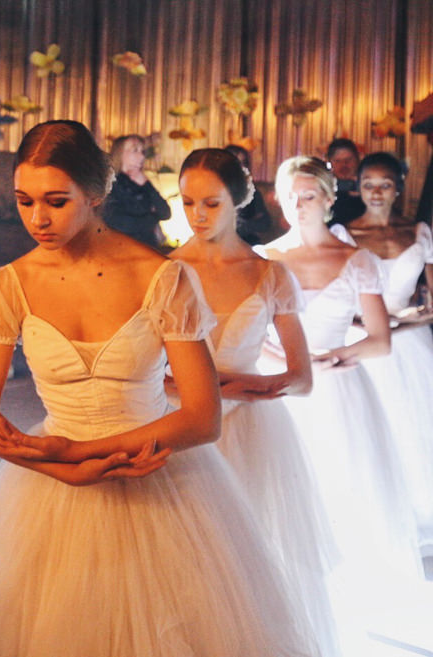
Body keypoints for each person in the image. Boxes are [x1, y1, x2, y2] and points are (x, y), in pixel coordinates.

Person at [0, 120, 319, 657]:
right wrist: (63, 470)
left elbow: (203, 417)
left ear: (95, 194)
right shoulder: (10, 282)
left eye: (55, 201)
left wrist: (81, 453)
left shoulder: (160, 276)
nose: (37, 219)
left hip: (160, 478)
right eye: (24, 201)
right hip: (49, 490)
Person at [171, 148, 339, 656]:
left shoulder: (269, 274)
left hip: (251, 434)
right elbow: (153, 374)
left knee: (248, 556)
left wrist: (237, 389)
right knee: (180, 554)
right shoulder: (166, 272)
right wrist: (238, 385)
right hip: (181, 426)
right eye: (187, 203)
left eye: (211, 203)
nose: (197, 216)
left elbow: (302, 378)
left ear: (237, 201)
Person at [263, 156, 421, 584]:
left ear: (329, 198)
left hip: (340, 386)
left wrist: (333, 358)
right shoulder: (266, 258)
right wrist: (293, 364)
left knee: (347, 486)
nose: (298, 205)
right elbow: (254, 334)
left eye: (308, 195)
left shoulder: (356, 260)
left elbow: (379, 340)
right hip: (282, 385)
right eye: (291, 196)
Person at [335, 152, 433, 552]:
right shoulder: (343, 234)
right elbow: (338, 297)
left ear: (398, 188)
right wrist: (372, 328)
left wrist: (402, 325)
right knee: (376, 429)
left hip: (410, 344)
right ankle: (378, 521)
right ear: (358, 187)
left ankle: (421, 513)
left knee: (417, 427)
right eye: (369, 183)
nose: (377, 192)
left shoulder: (421, 231)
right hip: (363, 341)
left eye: (386, 184)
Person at [101, 134, 170, 249]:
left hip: (149, 249)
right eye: (135, 150)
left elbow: (165, 212)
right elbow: (122, 224)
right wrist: (153, 218)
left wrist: (147, 185)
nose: (141, 157)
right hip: (122, 250)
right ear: (120, 153)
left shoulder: (142, 181)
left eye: (142, 152)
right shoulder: (109, 184)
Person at [224, 144, 274, 245]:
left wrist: (243, 226)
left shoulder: (252, 191)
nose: (241, 167)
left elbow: (265, 223)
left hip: (247, 243)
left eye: (244, 163)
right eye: (236, 163)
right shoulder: (212, 190)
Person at [325, 138, 365, 226]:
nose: (343, 164)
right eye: (337, 161)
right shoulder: (324, 190)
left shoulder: (370, 188)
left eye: (349, 160)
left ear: (358, 159)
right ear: (330, 162)